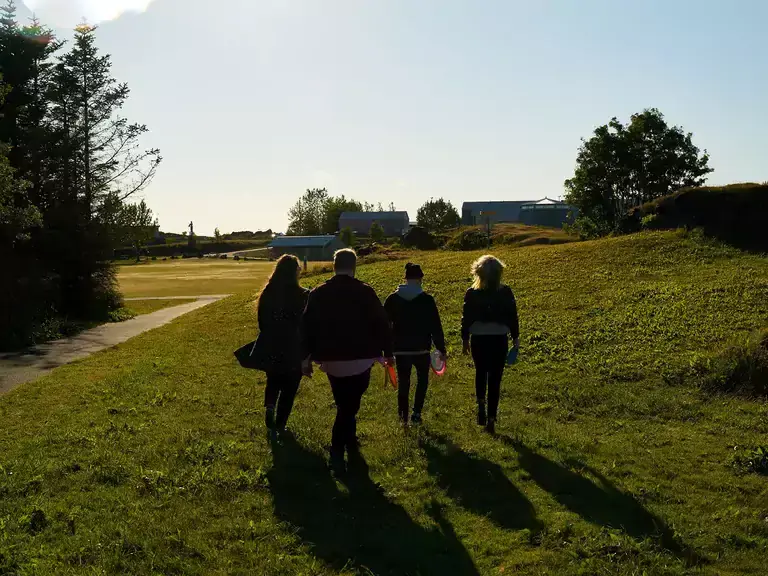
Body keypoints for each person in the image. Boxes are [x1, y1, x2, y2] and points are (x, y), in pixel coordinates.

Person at [302, 248, 394, 472]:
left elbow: (306, 327)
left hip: (331, 358)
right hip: (362, 357)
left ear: (334, 265)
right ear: (354, 266)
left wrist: (305, 357)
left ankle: (349, 441)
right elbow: (382, 324)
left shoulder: (318, 292)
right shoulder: (365, 291)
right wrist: (388, 352)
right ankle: (337, 447)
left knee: (345, 402)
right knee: (349, 405)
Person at [461, 255, 519, 434]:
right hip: (499, 338)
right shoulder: (506, 292)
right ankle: (492, 418)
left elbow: (466, 317)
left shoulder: (472, 293)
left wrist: (464, 339)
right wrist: (515, 338)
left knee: (481, 372)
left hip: (479, 338)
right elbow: (512, 316)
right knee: (495, 378)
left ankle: (481, 406)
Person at [384, 263, 446, 426]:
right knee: (422, 381)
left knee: (404, 383)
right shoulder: (427, 300)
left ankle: (403, 417)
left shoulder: (392, 299)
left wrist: (387, 350)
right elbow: (435, 326)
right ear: (419, 279)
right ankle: (416, 413)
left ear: (405, 279)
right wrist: (441, 348)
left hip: (401, 349)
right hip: (421, 349)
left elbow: (385, 326)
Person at [256, 254, 310, 437]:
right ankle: (280, 425)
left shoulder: (267, 293)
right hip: (293, 346)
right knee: (290, 387)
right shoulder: (303, 295)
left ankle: (270, 405)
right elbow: (306, 324)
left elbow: (261, 321)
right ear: (295, 272)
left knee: (273, 379)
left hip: (272, 342)